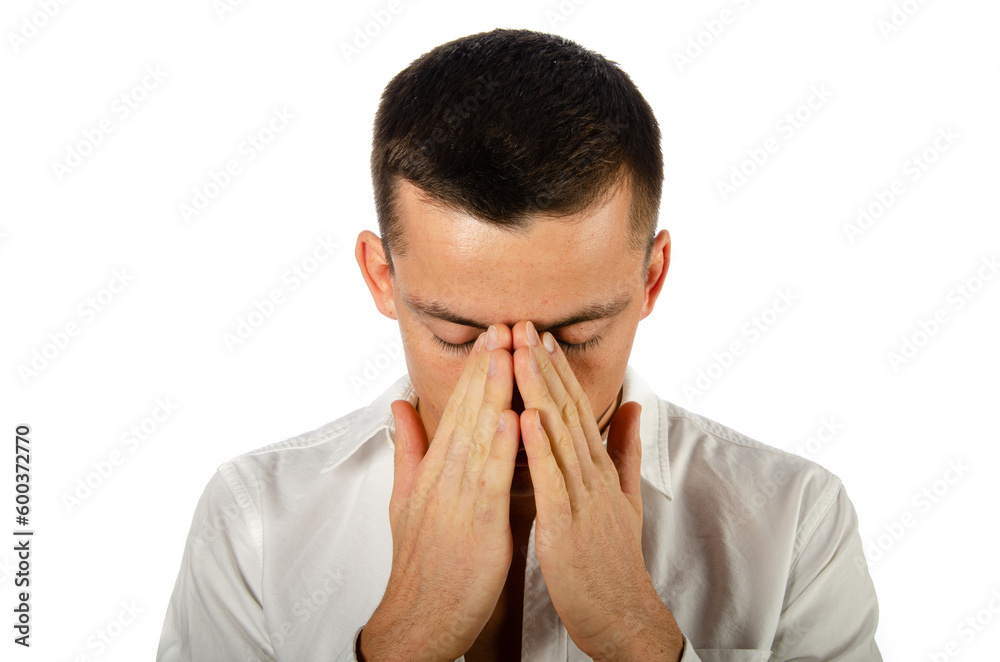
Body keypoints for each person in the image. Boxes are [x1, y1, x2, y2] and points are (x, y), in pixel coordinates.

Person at [156, 28, 882, 662]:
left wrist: (636, 634)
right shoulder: (254, 521)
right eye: (457, 336)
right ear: (381, 277)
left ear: (652, 279)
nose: (514, 389)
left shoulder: (794, 520)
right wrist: (406, 639)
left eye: (574, 336)